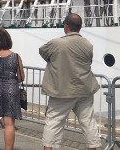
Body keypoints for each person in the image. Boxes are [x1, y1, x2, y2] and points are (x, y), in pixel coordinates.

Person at [40, 13, 101, 150]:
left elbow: (43, 53)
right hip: (84, 90)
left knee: (53, 122)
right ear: (79, 27)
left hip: (61, 91)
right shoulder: (88, 45)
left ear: (66, 26)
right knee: (88, 123)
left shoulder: (56, 43)